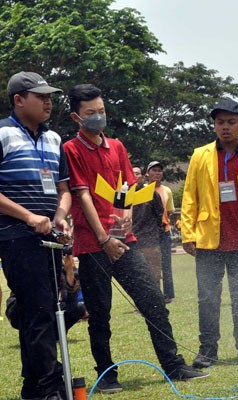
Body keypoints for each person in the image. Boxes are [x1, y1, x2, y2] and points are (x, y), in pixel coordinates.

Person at [63, 84, 206, 394]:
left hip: (125, 240)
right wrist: (103, 239)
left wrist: (125, 212)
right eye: (90, 113)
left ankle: (173, 364)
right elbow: (83, 195)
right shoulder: (71, 150)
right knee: (99, 314)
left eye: (101, 111)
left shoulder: (116, 146)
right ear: (76, 116)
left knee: (153, 301)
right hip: (92, 246)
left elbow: (125, 187)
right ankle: (107, 374)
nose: (98, 117)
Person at [180, 99, 238, 369]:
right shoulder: (200, 155)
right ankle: (207, 351)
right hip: (208, 240)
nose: (225, 127)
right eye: (220, 122)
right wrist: (188, 233)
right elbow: (189, 198)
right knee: (208, 299)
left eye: (231, 122)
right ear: (214, 125)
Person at [0, 71, 71, 400]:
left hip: (50, 239)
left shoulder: (54, 139)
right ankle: (48, 388)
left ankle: (37, 387)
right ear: (18, 100)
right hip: (16, 237)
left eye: (50, 96)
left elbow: (63, 189)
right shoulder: (2, 134)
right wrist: (29, 217)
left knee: (47, 310)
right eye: (40, 96)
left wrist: (60, 216)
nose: (48, 102)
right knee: (40, 311)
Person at [146, 161, 176, 303]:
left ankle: (169, 295)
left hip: (164, 231)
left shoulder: (167, 191)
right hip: (149, 234)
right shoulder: (143, 190)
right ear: (148, 173)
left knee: (166, 264)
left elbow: (169, 211)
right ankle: (154, 294)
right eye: (154, 170)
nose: (157, 173)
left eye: (159, 170)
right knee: (150, 265)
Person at [132, 165, 164, 285]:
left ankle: (156, 302)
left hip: (150, 240)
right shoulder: (124, 194)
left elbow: (159, 215)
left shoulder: (151, 193)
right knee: (137, 277)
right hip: (132, 242)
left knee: (154, 275)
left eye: (137, 173)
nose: (135, 176)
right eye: (132, 173)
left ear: (142, 176)